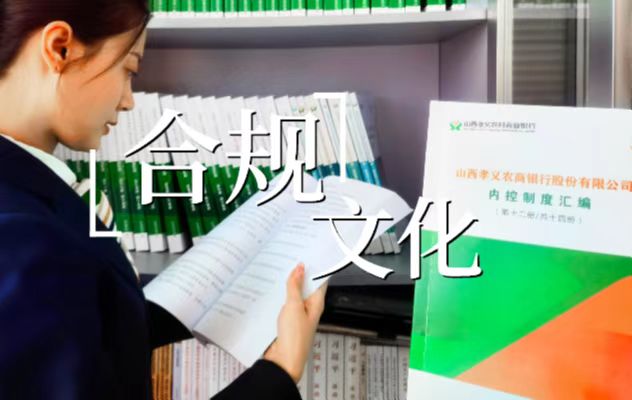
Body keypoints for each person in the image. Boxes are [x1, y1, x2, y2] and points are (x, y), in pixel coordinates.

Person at [0, 1, 326, 399]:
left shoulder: (30, 198)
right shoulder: (25, 235)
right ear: (60, 47)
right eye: (129, 70)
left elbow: (73, 333)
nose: (128, 100)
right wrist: (280, 369)